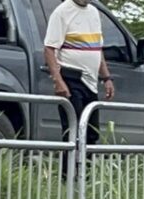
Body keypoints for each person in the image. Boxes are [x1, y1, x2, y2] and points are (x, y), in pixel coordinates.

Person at [44, 0, 114, 145]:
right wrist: (58, 82)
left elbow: (97, 48)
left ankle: (85, 167)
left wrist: (106, 77)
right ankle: (69, 167)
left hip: (91, 82)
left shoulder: (94, 12)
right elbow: (49, 49)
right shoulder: (62, 12)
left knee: (91, 134)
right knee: (73, 133)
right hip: (71, 78)